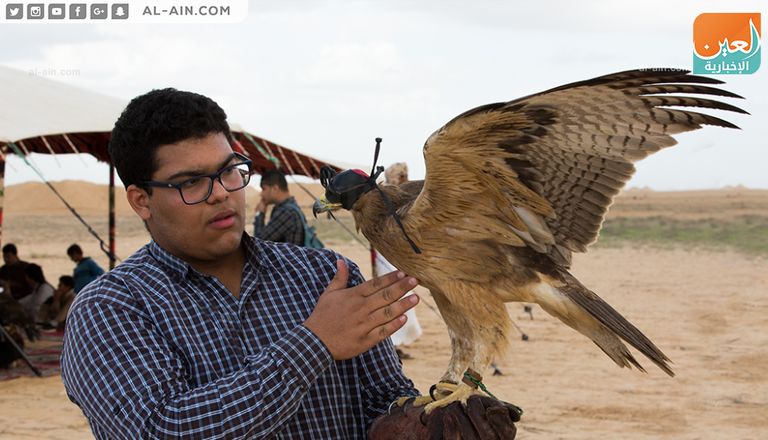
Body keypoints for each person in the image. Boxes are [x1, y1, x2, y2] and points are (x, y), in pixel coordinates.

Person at [61, 88, 516, 439]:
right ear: (141, 200)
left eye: (228, 170)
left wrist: (424, 421)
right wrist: (314, 343)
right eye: (191, 183)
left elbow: (382, 401)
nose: (221, 192)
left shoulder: (324, 276)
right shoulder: (110, 308)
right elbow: (159, 430)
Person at [375, 163, 423, 359]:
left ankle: (395, 343)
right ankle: (391, 344)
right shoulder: (388, 200)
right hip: (390, 254)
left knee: (400, 297)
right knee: (393, 297)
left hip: (398, 255)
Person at [252, 169, 305, 246]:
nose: (261, 194)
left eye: (264, 189)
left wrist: (259, 214)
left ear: (275, 189)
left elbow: (258, 243)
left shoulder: (287, 212)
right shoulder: (286, 208)